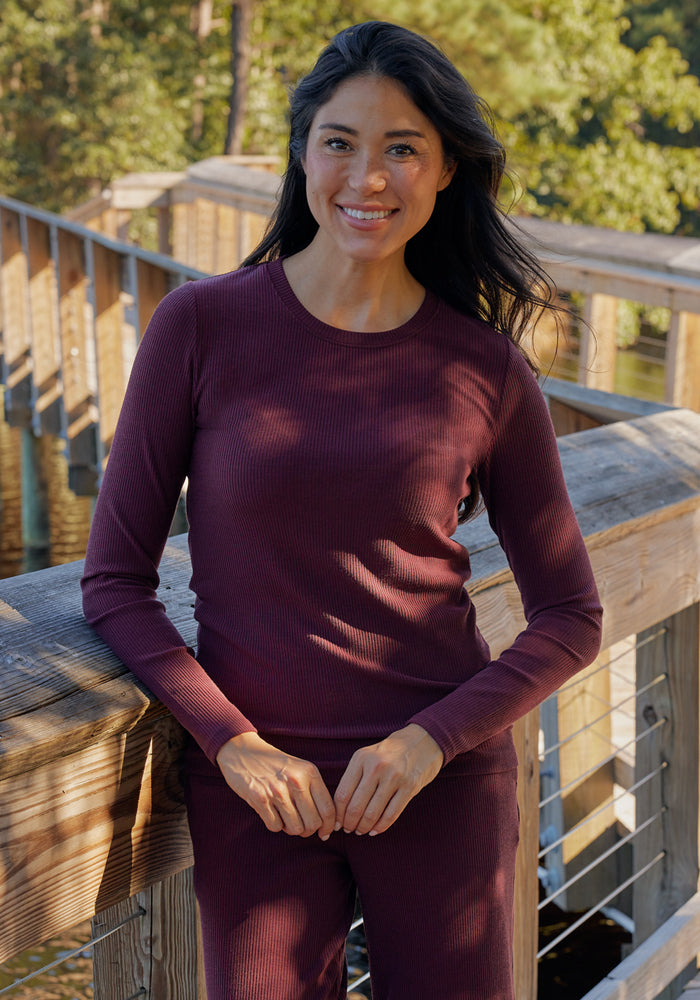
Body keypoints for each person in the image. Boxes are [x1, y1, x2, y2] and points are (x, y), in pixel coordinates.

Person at [81, 20, 603, 1000]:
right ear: (302, 151)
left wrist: (428, 741)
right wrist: (229, 740)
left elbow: (571, 615)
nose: (366, 177)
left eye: (401, 147)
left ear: (446, 169)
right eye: (339, 142)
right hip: (257, 787)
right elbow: (113, 582)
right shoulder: (200, 327)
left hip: (435, 778)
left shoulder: (483, 367)